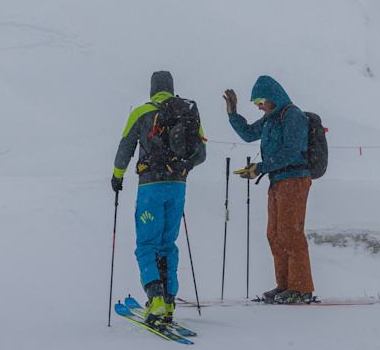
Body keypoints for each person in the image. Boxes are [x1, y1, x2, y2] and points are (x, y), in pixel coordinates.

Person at [111, 71, 207, 324]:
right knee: (168, 244)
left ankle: (154, 297)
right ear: (172, 88)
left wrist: (117, 175)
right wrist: (179, 168)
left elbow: (126, 147)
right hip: (178, 186)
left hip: (151, 187)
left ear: (153, 89)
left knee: (146, 244)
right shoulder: (187, 112)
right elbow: (201, 151)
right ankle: (168, 301)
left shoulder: (141, 112)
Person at [223, 76, 315, 304]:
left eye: (261, 100)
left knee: (290, 233)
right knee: (274, 234)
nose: (258, 106)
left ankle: (301, 289)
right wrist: (233, 113)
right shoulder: (270, 119)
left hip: (294, 180)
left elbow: (291, 152)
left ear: (274, 96)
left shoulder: (292, 115)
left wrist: (260, 167)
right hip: (277, 180)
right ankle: (285, 286)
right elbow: (247, 134)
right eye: (255, 102)